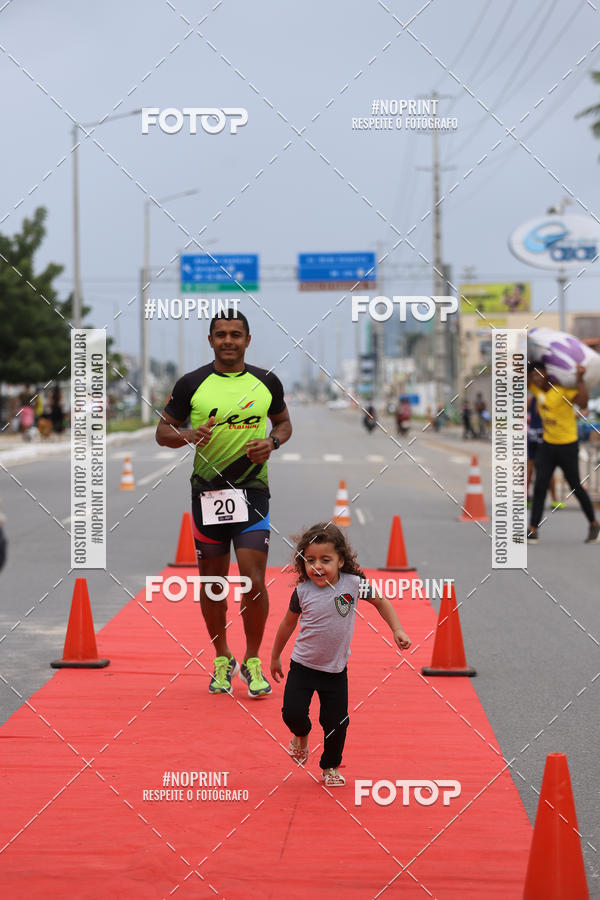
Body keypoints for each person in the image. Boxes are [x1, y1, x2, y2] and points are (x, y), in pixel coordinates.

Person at [156, 310, 292, 696]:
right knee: (213, 583)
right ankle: (221, 656)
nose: (228, 340)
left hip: (252, 491)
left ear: (248, 340)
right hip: (207, 492)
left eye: (236, 334)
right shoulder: (191, 384)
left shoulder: (266, 381)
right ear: (210, 339)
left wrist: (273, 442)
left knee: (252, 578)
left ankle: (252, 659)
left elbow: (284, 424)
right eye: (221, 334)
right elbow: (162, 432)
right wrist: (188, 435)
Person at [270, 523, 411, 787]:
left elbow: (381, 602)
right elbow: (287, 625)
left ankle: (330, 766)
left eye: (326, 560)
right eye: (310, 560)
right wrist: (275, 655)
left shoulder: (354, 584)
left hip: (335, 671)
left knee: (336, 723)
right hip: (302, 666)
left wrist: (397, 630)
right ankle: (301, 734)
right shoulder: (302, 592)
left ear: (341, 560)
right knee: (292, 713)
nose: (317, 566)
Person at [527, 362, 599, 544]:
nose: (536, 378)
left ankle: (594, 524)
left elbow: (582, 401)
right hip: (548, 445)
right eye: (533, 375)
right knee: (540, 486)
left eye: (539, 374)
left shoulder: (560, 389)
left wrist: (580, 379)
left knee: (575, 485)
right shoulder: (536, 390)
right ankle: (533, 529)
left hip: (567, 445)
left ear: (546, 373)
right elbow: (523, 380)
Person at [527, 393, 563, 510]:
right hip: (543, 436)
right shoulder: (547, 398)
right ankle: (554, 500)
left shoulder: (532, 398)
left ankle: (525, 498)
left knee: (530, 468)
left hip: (532, 435)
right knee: (547, 469)